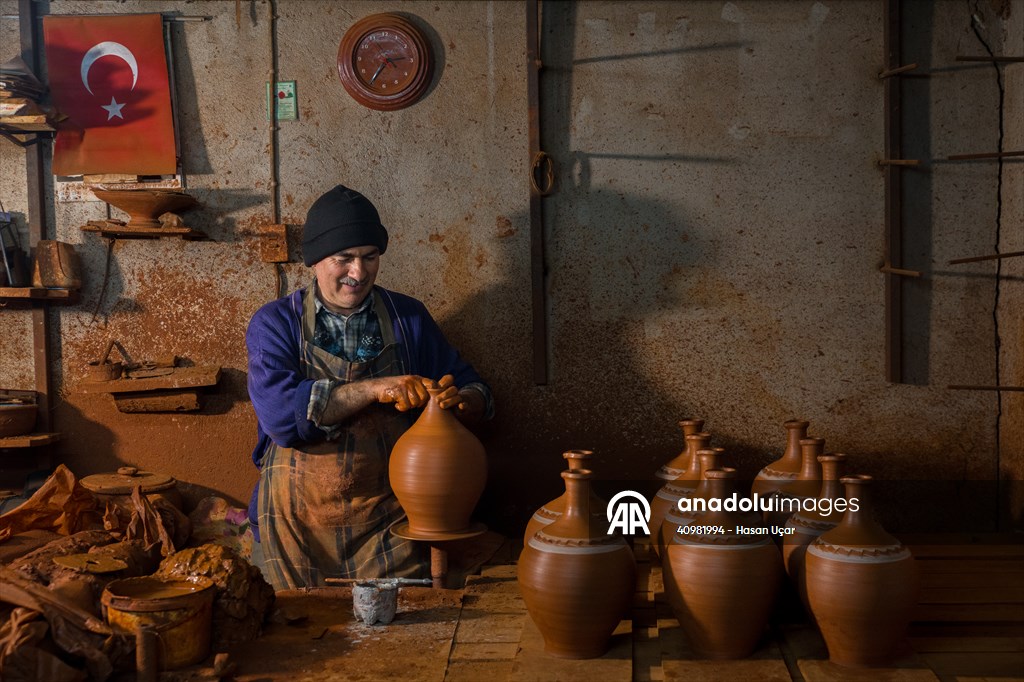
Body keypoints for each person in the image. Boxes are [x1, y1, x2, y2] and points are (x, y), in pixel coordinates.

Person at [245, 184, 493, 590]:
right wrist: (375, 389)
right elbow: (281, 418)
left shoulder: (407, 318)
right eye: (344, 259)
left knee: (399, 639)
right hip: (297, 524)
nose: (358, 273)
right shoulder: (275, 324)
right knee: (298, 637)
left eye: (370, 257)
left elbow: (476, 389)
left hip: (387, 523)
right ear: (315, 261)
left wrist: (461, 399)